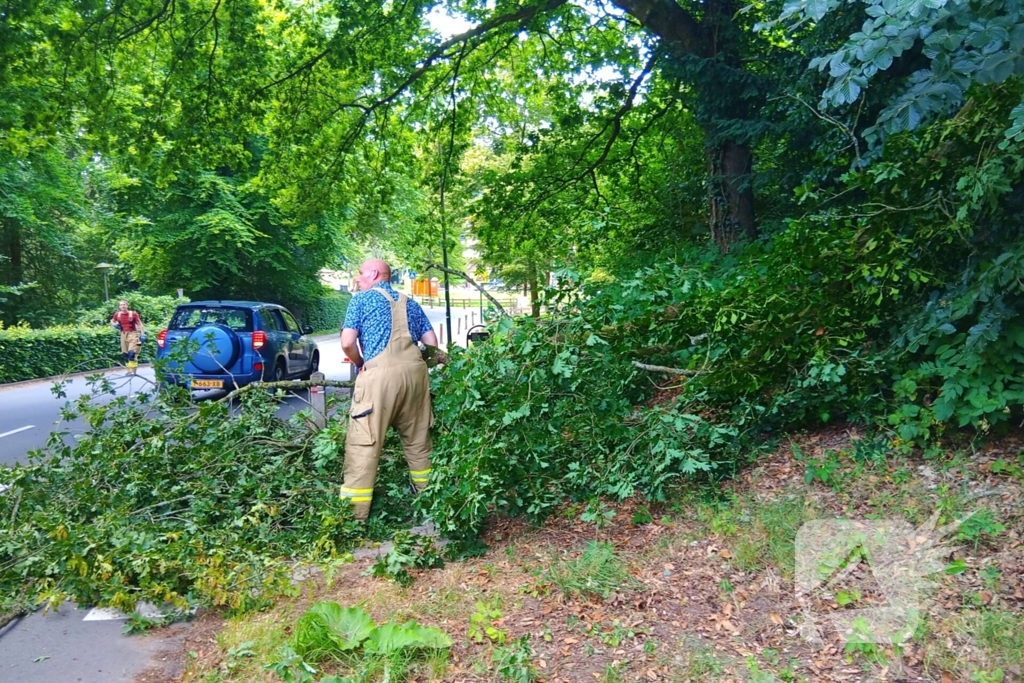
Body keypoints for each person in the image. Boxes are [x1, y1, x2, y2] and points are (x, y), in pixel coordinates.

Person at [339, 259, 438, 522]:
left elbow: (347, 343)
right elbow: (432, 344)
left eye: (360, 273)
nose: (357, 279)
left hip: (379, 378)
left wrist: (362, 364)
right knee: (418, 443)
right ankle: (434, 508)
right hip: (415, 377)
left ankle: (353, 520)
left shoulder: (361, 301)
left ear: (373, 274)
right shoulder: (411, 303)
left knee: (364, 443)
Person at [110, 299, 146, 374]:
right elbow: (112, 321)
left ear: (127, 305)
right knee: (125, 354)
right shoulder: (117, 314)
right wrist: (114, 325)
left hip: (132, 334)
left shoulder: (133, 314)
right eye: (121, 305)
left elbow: (140, 324)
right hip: (123, 334)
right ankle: (129, 370)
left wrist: (142, 334)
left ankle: (133, 370)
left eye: (124, 304)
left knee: (132, 353)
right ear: (119, 306)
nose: (123, 306)